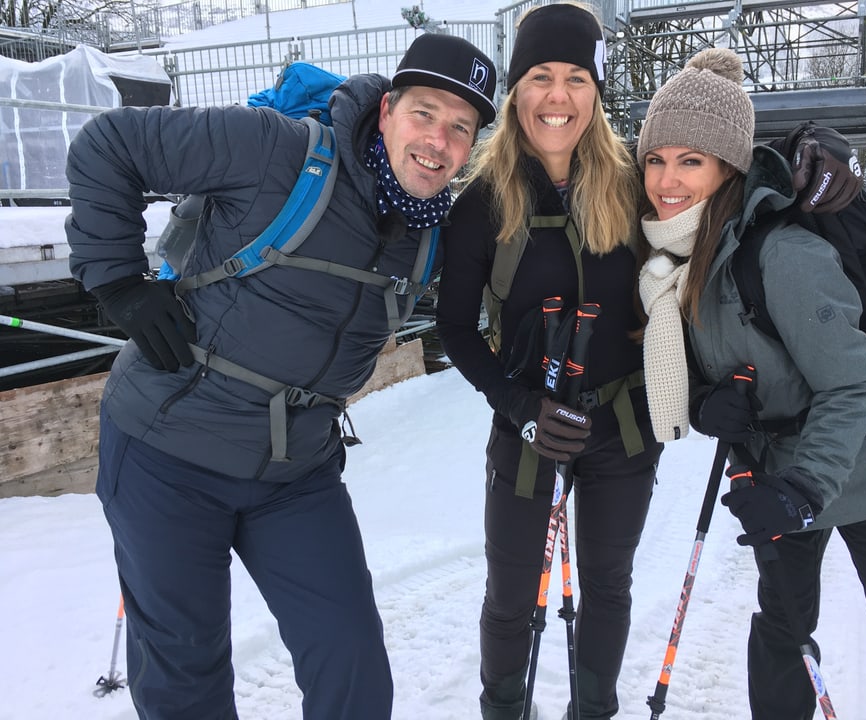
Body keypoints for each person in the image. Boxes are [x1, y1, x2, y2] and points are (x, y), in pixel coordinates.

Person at [64, 33, 497, 720]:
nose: (438, 141)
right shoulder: (276, 149)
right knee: (187, 677)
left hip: (295, 472)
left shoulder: (431, 227)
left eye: (459, 128)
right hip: (167, 453)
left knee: (350, 664)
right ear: (386, 109)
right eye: (424, 113)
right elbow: (106, 145)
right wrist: (119, 281)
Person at [634, 46, 866, 720]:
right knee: (782, 632)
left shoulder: (783, 254)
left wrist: (805, 490)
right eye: (657, 159)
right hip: (776, 471)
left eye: (689, 160)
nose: (667, 179)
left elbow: (852, 386)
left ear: (728, 167)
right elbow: (709, 364)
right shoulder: (679, 256)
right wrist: (703, 401)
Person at [436, 5, 662, 718]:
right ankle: (504, 707)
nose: (557, 97)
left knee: (608, 584)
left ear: (595, 90)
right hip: (527, 418)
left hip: (620, 427)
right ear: (515, 91)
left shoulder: (632, 186)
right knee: (509, 596)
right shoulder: (481, 202)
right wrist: (516, 405)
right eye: (539, 77)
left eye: (574, 77)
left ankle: (593, 709)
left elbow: (711, 225)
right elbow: (455, 330)